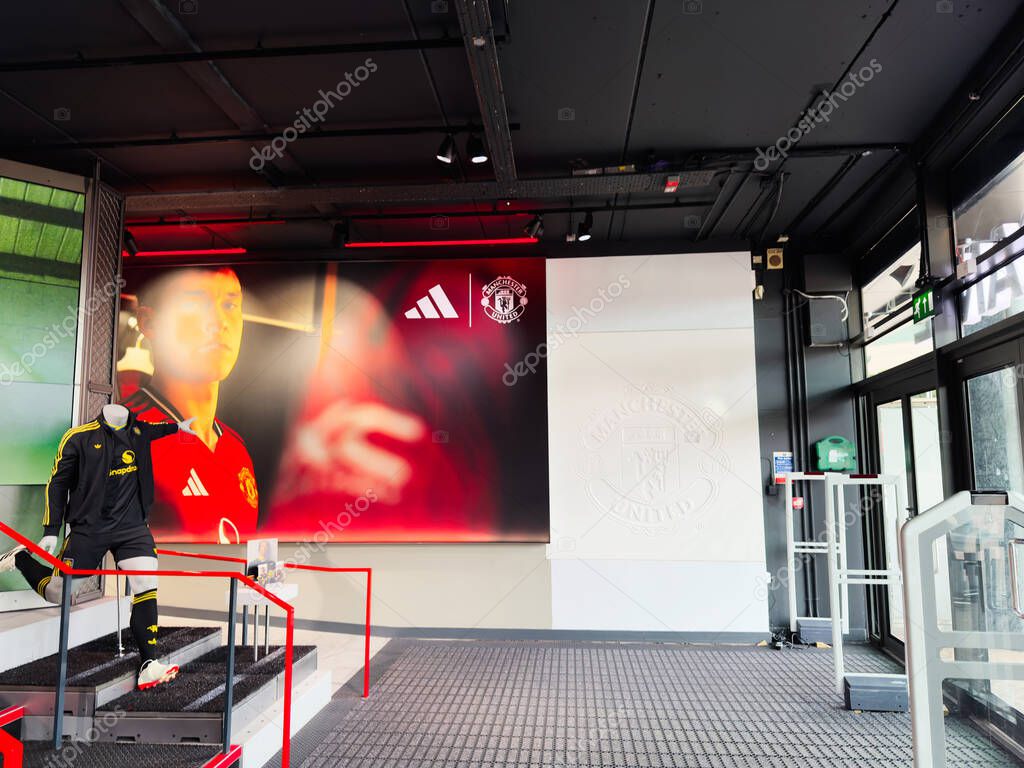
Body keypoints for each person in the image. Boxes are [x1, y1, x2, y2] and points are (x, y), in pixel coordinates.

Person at [0, 404, 196, 690]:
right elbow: (57, 484)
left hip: (132, 529)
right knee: (58, 593)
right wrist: (51, 530)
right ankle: (21, 560)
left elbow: (157, 430)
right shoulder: (77, 437)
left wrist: (178, 427)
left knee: (146, 581)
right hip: (89, 529)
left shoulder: (139, 429)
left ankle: (148, 664)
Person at [120, 266, 259, 543]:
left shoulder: (237, 450)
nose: (219, 322)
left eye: (230, 305)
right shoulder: (127, 439)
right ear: (149, 323)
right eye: (196, 305)